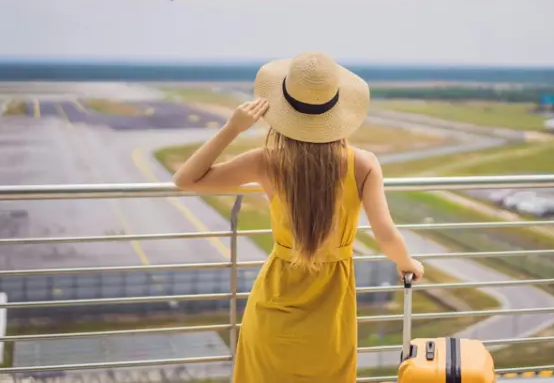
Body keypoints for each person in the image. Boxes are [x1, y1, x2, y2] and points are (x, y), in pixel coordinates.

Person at [172, 51, 425, 382]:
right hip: (331, 310)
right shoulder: (363, 165)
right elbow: (386, 235)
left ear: (281, 109)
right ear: (338, 110)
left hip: (274, 302)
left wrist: (233, 127)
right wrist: (408, 264)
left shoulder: (268, 161)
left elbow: (185, 180)